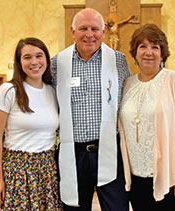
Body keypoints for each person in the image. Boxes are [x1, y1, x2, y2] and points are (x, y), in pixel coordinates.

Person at [51, 8, 131, 211]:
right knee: (74, 207)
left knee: (117, 207)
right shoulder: (57, 63)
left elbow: (128, 99)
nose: (89, 34)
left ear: (104, 32)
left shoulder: (119, 61)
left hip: (109, 149)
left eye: (95, 28)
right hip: (73, 153)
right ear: (73, 31)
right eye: (83, 28)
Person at [119, 23, 175, 211]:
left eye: (155, 47)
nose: (148, 52)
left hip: (170, 174)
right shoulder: (128, 84)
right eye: (143, 47)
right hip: (136, 174)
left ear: (162, 53)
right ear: (135, 53)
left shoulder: (173, 80)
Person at [0, 37, 63, 210]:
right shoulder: (8, 91)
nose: (34, 62)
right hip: (17, 171)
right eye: (27, 57)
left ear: (47, 60)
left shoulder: (52, 91)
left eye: (39, 56)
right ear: (20, 62)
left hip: (47, 170)